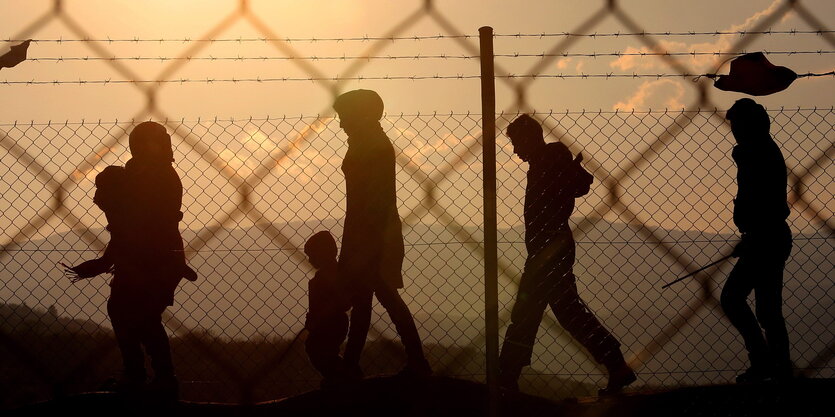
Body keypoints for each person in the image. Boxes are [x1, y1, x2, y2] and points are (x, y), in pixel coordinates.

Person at [498, 114, 635, 395]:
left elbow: (574, 186)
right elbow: (577, 186)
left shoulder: (549, 157)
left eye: (516, 142)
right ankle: (616, 365)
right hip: (549, 249)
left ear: (528, 138)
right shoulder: (544, 160)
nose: (514, 150)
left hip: (549, 250)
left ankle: (506, 378)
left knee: (529, 313)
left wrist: (569, 170)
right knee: (564, 313)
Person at [66, 122, 194, 399]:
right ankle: (139, 375)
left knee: (144, 317)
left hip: (157, 258)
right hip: (138, 257)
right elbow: (126, 227)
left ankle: (159, 378)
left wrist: (104, 261)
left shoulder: (160, 175)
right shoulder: (135, 173)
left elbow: (138, 225)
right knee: (124, 312)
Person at [334, 89, 431, 377]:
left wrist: (358, 246)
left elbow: (368, 202)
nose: (341, 124)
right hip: (372, 233)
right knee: (373, 300)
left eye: (344, 116)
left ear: (360, 114)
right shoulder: (370, 142)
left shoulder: (371, 145)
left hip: (372, 235)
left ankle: (409, 362)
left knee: (377, 299)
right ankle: (358, 366)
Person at [720, 98, 793, 383]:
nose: (735, 131)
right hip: (767, 236)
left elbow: (761, 200)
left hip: (766, 237)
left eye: (738, 125)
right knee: (767, 308)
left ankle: (766, 361)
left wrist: (753, 235)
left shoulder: (757, 153)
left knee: (733, 298)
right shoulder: (761, 151)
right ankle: (777, 365)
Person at [303, 231, 351, 388]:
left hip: (333, 322)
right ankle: (338, 376)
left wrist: (317, 317)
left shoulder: (325, 279)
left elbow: (343, 303)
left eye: (312, 255)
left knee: (320, 349)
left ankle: (337, 377)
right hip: (330, 322)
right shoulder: (324, 277)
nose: (310, 260)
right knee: (321, 349)